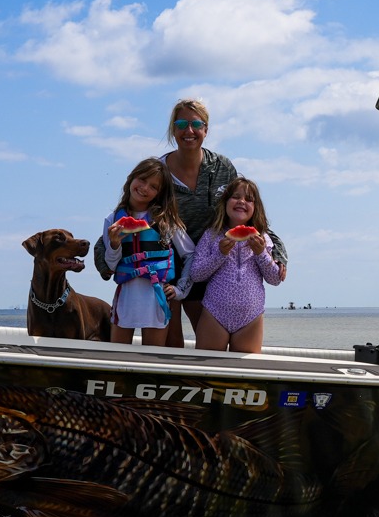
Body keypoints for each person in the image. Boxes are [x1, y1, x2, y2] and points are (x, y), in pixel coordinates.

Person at [94, 98, 288, 346]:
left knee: (209, 348)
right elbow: (132, 216)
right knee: (172, 347)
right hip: (169, 273)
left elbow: (247, 215)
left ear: (206, 129)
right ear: (172, 129)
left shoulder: (222, 167)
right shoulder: (159, 172)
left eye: (197, 124)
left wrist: (278, 252)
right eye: (181, 123)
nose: (189, 131)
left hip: (214, 271)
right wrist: (105, 262)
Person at [100, 157, 193, 346]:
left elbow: (191, 255)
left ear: (159, 193)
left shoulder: (167, 221)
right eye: (142, 180)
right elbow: (111, 264)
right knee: (118, 360)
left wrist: (180, 289)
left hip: (155, 299)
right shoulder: (112, 220)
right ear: (131, 179)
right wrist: (115, 244)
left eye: (153, 186)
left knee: (152, 360)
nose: (144, 188)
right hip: (125, 297)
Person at [187, 176, 284, 353]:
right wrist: (220, 254)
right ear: (225, 202)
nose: (241, 201)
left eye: (248, 199)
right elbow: (196, 274)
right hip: (214, 314)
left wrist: (261, 253)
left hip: (251, 318)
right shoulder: (212, 235)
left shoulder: (263, 238)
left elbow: (275, 279)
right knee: (208, 371)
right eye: (236, 196)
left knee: (245, 375)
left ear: (255, 208)